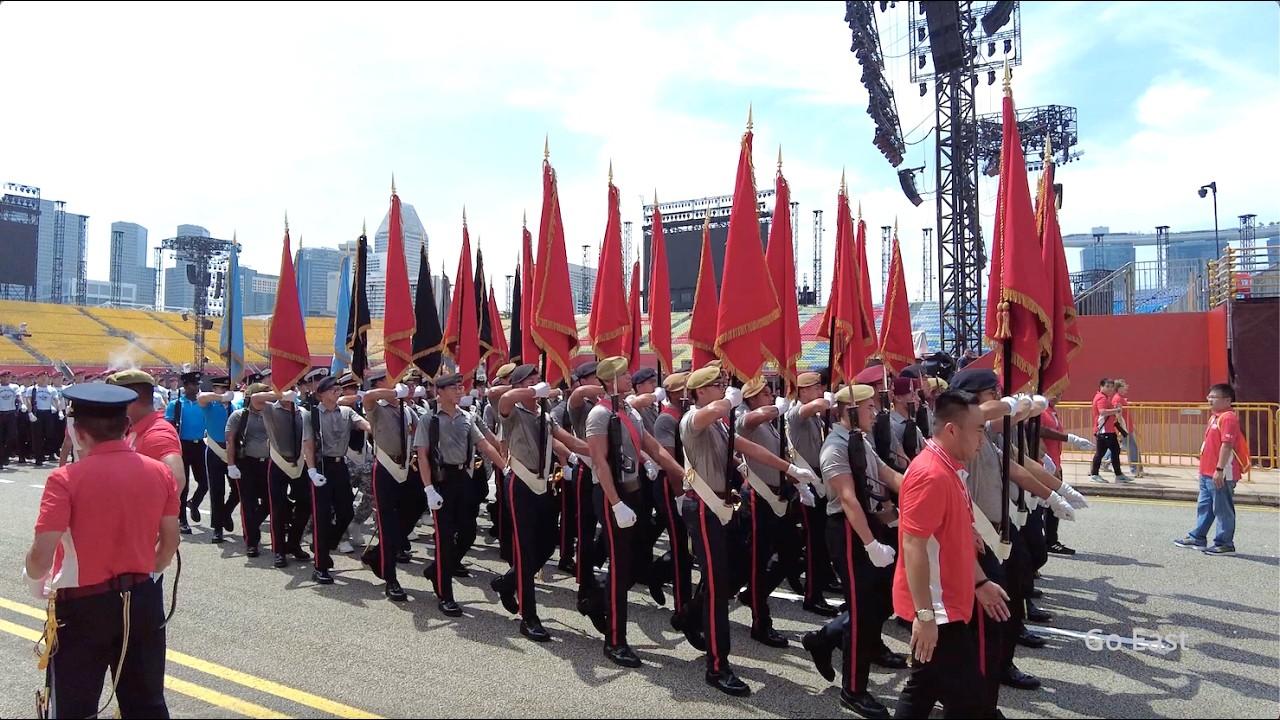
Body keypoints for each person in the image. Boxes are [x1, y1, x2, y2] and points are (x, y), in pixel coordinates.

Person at [23, 384, 181, 719]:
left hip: (83, 606)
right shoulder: (161, 473)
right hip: (142, 599)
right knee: (147, 704)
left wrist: (36, 583)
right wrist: (141, 575)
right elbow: (169, 543)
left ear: (78, 432)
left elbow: (41, 556)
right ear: (126, 427)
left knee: (75, 708)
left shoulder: (65, 479)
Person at [678, 365, 820, 697]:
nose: (724, 389)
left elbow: (749, 448)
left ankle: (688, 616)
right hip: (703, 509)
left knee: (728, 576)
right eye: (718, 385)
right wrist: (731, 399)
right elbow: (714, 410)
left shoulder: (719, 423)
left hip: (723, 509)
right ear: (700, 391)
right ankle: (717, 666)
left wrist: (791, 470)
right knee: (717, 587)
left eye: (725, 384)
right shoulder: (694, 420)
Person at [891, 388, 1009, 719]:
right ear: (952, 430)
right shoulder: (930, 474)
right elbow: (913, 545)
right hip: (937, 611)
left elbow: (954, 542)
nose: (982, 439)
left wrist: (980, 582)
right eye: (978, 430)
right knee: (974, 705)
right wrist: (925, 616)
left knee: (923, 690)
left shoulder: (950, 469)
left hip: (950, 603)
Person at [585, 357, 686, 667]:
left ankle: (595, 601)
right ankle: (615, 641)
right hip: (611, 495)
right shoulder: (599, 414)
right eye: (625, 374)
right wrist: (616, 504)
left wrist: (686, 477)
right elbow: (600, 462)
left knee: (634, 563)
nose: (630, 377)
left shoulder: (628, 410)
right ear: (611, 380)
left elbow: (653, 447)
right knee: (619, 567)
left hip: (634, 492)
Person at [489, 364, 588, 641]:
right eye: (531, 381)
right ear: (521, 385)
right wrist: (531, 391)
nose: (538, 383)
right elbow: (504, 399)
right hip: (520, 484)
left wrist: (590, 453)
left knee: (548, 543)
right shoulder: (512, 412)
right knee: (526, 549)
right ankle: (529, 617)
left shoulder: (544, 414)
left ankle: (508, 583)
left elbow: (565, 440)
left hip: (542, 485)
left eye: (538, 379)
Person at [414, 373, 506, 616]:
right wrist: (428, 489)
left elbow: (484, 445)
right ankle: (445, 594)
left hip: (463, 480)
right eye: (453, 388)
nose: (459, 391)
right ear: (439, 392)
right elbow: (422, 455)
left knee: (467, 533)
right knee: (444, 539)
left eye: (459, 387)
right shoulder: (429, 420)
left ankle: (437, 569)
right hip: (440, 481)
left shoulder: (466, 417)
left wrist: (504, 468)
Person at [302, 376, 373, 584]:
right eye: (332, 389)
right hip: (322, 467)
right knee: (323, 517)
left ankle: (324, 546)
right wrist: (312, 471)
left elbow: (363, 424)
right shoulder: (312, 415)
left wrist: (372, 427)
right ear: (320, 394)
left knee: (346, 512)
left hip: (340, 465)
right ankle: (320, 566)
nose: (336, 391)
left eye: (338, 388)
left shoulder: (346, 412)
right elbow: (308, 445)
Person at [1175, 383, 1247, 555]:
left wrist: (1219, 469)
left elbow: (1227, 445)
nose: (1209, 399)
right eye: (1209, 396)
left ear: (1227, 400)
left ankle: (1225, 543)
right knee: (1205, 506)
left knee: (1222, 509)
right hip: (1207, 472)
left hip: (1222, 473)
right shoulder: (1215, 417)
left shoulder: (1228, 417)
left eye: (1214, 397)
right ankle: (1198, 537)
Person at [109, 370, 186, 501]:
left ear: (129, 401)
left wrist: (143, 512)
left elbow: (176, 481)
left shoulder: (158, 433)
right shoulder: (139, 429)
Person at [226, 383, 273, 557]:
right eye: (264, 394)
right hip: (246, 464)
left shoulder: (272, 414)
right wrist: (231, 465)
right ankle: (252, 542)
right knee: (248, 503)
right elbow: (230, 441)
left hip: (268, 463)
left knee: (269, 502)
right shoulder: (239, 416)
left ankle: (252, 527)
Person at [195, 376, 240, 543]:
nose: (225, 392)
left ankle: (226, 512)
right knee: (216, 490)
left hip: (231, 450)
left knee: (237, 489)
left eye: (227, 389)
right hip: (214, 449)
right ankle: (217, 528)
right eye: (222, 389)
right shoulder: (210, 405)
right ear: (215, 389)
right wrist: (220, 398)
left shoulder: (234, 407)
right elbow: (201, 398)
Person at [165, 370, 210, 530]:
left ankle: (194, 502)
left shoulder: (203, 403)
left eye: (198, 384)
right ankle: (182, 519)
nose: (197, 387)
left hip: (199, 445)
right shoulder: (176, 405)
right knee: (183, 486)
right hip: (182, 446)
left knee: (205, 482)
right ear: (185, 385)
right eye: (193, 384)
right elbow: (170, 427)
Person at [1088, 378, 1131, 484]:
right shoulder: (1101, 398)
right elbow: (1102, 412)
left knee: (1115, 451)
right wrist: (1116, 410)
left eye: (1111, 387)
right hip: (1103, 431)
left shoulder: (1106, 398)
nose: (1110, 389)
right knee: (1100, 453)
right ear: (1101, 387)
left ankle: (1118, 474)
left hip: (1109, 430)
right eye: (1107, 386)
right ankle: (1094, 474)